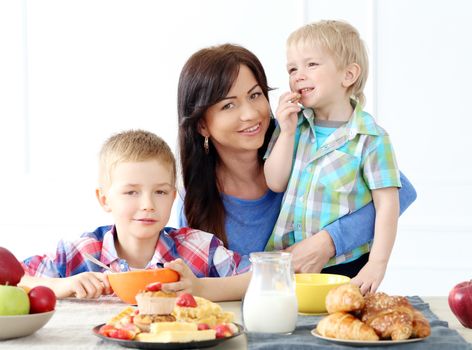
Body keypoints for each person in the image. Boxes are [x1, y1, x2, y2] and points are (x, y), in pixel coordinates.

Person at [177, 43, 416, 280]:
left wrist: (327, 242)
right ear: (202, 125)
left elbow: (402, 192)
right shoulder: (195, 197)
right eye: (228, 105)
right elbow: (198, 286)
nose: (250, 114)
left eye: (255, 95)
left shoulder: (297, 137)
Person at [20, 130, 250, 301]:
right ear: (104, 199)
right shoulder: (79, 254)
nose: (148, 205)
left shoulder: (198, 249)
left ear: (172, 197)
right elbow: (12, 280)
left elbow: (264, 280)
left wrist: (202, 288)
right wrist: (58, 285)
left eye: (160, 192)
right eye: (131, 192)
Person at [264, 20, 401, 293]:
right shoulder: (292, 127)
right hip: (289, 260)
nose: (298, 75)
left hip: (345, 265)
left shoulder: (371, 138)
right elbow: (274, 182)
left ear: (348, 75)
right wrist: (288, 132)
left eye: (311, 65)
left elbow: (387, 206)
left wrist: (377, 264)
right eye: (292, 68)